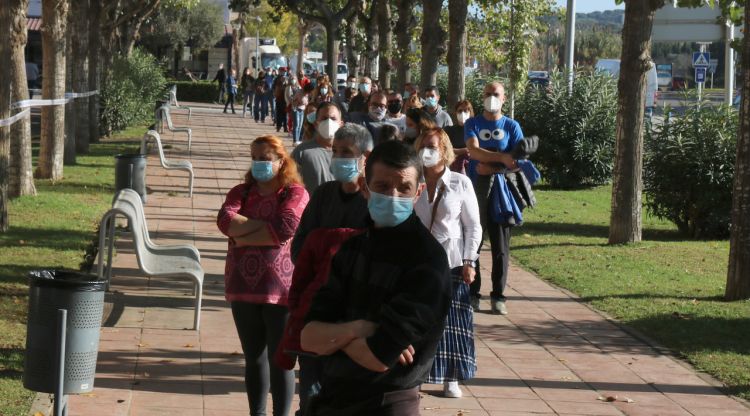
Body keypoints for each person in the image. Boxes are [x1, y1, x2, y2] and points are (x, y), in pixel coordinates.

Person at [300, 140, 452, 415]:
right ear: (364, 188)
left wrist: (334, 338)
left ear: (418, 192)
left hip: (388, 403)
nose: (393, 195)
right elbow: (309, 337)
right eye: (382, 186)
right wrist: (360, 329)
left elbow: (379, 356)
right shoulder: (352, 249)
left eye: (403, 188)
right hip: (332, 399)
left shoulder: (428, 260)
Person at [216, 135, 310, 416]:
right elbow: (224, 220)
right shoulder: (241, 192)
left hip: (280, 289)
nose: (259, 164)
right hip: (242, 286)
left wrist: (242, 236)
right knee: (253, 358)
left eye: (265, 158)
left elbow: (286, 226)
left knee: (281, 359)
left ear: (281, 162)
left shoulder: (294, 193)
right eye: (255, 158)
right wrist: (263, 232)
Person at [413, 127, 481, 399]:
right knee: (417, 319)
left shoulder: (460, 183)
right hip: (416, 261)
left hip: (451, 261)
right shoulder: (412, 180)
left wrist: (469, 260)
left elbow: (473, 226)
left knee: (453, 320)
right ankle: (415, 375)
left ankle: (451, 377)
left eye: (432, 146)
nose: (426, 152)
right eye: (422, 146)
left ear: (444, 150)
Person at [465, 81, 523, 315]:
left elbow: (518, 161)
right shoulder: (473, 123)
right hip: (475, 189)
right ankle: (472, 292)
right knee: (474, 242)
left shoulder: (512, 125)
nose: (491, 97)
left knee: (500, 247)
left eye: (495, 94)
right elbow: (473, 151)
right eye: (488, 94)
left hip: (502, 191)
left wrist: (493, 168)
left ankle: (498, 296)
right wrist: (502, 157)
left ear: (504, 98)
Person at [291, 123, 373, 260]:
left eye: (346, 152)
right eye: (334, 151)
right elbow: (301, 239)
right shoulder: (323, 193)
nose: (338, 157)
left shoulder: (374, 200)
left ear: (366, 158)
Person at [291, 102, 344, 194]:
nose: (329, 122)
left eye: (333, 119)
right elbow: (291, 184)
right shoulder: (301, 152)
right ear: (316, 124)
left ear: (341, 124)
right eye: (324, 118)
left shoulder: (349, 153)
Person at [444, 100, 474, 174]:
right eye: (460, 111)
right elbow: (445, 149)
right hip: (453, 169)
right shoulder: (449, 130)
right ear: (456, 113)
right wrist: (465, 150)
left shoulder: (476, 130)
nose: (462, 113)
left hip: (472, 169)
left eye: (465, 111)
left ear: (470, 113)